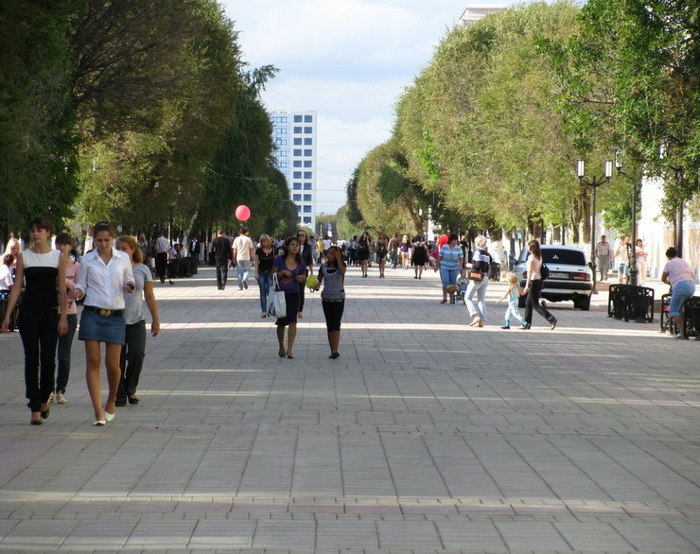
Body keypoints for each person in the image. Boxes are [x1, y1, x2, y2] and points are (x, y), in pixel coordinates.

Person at [1, 218, 68, 425]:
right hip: (29, 312)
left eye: (39, 230)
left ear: (48, 232)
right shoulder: (24, 256)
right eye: (32, 231)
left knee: (48, 359)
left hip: (50, 313)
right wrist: (7, 316)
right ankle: (34, 406)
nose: (35, 234)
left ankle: (45, 396)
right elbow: (17, 286)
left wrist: (63, 316)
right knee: (31, 358)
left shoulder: (58, 256)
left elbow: (62, 289)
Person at [72, 222, 135, 426]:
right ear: (94, 239)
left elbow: (129, 278)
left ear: (112, 239)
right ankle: (98, 412)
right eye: (99, 240)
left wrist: (129, 285)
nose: (103, 243)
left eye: (107, 240)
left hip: (116, 315)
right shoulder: (87, 259)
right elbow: (82, 284)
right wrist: (78, 292)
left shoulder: (122, 258)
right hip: (92, 313)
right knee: (93, 362)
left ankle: (111, 401)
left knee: (113, 365)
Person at [115, 235, 160, 406]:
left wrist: (156, 320)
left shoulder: (143, 269)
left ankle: (130, 387)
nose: (120, 251)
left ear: (133, 250)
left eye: (124, 248)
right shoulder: (111, 269)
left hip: (136, 320)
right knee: (116, 360)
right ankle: (118, 395)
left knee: (137, 354)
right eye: (117, 248)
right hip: (115, 320)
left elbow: (149, 295)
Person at [52, 232, 80, 405]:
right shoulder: (50, 265)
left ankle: (60, 390)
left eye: (65, 244)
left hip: (69, 314)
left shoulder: (76, 266)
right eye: (59, 244)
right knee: (47, 355)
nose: (61, 248)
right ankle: (47, 390)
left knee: (64, 356)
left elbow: (79, 289)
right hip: (50, 313)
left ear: (70, 246)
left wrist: (66, 282)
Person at [272, 237, 307, 359]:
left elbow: (304, 278)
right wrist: (281, 273)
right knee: (281, 322)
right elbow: (272, 276)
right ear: (287, 246)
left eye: (297, 245)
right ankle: (281, 346)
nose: (294, 247)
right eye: (292, 244)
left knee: (293, 321)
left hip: (294, 294)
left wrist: (302, 279)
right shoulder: (279, 260)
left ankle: (290, 348)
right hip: (280, 295)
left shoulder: (301, 263)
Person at [314, 245, 347, 359]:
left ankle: (335, 349)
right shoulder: (323, 267)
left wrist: (338, 259)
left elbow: (342, 271)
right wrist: (313, 285)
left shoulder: (341, 266)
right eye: (328, 253)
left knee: (336, 323)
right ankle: (332, 349)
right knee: (329, 324)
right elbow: (318, 283)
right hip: (326, 298)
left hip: (338, 298)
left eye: (333, 253)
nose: (329, 255)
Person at [521, 239, 557, 330]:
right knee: (528, 304)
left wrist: (526, 285)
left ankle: (551, 319)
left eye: (528, 246)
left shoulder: (531, 258)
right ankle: (526, 324)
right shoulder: (539, 256)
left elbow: (529, 271)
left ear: (531, 248)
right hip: (539, 281)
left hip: (534, 281)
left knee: (535, 305)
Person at [661, 247, 695, 339]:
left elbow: (663, 278)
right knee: (682, 310)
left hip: (680, 286)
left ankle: (682, 332)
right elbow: (692, 276)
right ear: (677, 254)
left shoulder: (669, 263)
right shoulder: (685, 262)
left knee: (674, 309)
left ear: (668, 256)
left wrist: (670, 283)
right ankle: (686, 330)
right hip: (691, 285)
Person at [465, 236, 492, 326]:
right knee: (481, 299)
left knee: (467, 298)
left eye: (476, 243)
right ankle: (482, 320)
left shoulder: (478, 252)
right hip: (485, 277)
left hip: (477, 278)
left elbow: (477, 265)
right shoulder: (487, 254)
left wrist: (470, 265)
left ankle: (475, 315)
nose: (475, 245)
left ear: (479, 244)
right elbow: (489, 264)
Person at [254, 234, 275, 318]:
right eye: (262, 241)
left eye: (265, 241)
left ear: (269, 241)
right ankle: (264, 311)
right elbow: (256, 262)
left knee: (269, 290)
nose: (264, 243)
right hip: (261, 272)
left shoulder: (273, 250)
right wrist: (256, 272)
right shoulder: (259, 250)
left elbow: (276, 261)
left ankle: (269, 309)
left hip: (270, 273)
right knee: (262, 292)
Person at [438, 234, 463, 304]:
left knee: (452, 283)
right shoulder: (444, 247)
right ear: (450, 240)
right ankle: (444, 298)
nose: (455, 241)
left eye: (456, 240)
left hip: (454, 267)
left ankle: (452, 299)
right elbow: (440, 256)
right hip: (444, 266)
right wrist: (437, 265)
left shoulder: (458, 248)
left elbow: (461, 258)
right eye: (454, 240)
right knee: (445, 282)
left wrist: (460, 267)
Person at [296, 229, 314, 318]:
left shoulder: (308, 247)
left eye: (303, 235)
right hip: (293, 270)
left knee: (301, 290)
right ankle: (293, 308)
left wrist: (312, 272)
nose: (301, 237)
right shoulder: (294, 245)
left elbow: (310, 260)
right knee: (293, 289)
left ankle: (300, 310)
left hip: (303, 271)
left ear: (306, 237)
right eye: (300, 235)